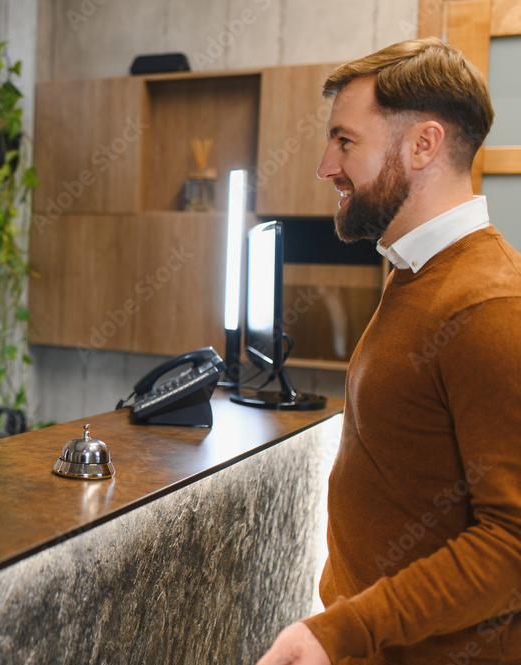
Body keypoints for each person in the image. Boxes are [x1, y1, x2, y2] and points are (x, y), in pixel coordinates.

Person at [255, 38, 521, 664]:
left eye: (345, 141)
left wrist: (342, 632)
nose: (325, 166)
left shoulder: (489, 306)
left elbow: (512, 548)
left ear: (423, 145)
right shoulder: (415, 272)